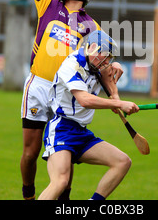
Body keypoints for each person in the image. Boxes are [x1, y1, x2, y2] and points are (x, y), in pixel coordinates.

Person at [6, 0, 123, 200]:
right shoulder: (48, 3)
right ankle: (29, 194)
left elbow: (100, 60)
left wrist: (114, 65)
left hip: (66, 93)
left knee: (65, 156)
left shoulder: (91, 25)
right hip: (39, 84)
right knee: (31, 152)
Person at [38, 30, 139, 200]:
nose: (107, 62)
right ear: (92, 48)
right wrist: (119, 104)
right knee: (60, 182)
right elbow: (84, 99)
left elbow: (109, 81)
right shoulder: (71, 65)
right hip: (61, 129)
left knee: (122, 162)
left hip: (82, 133)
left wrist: (115, 97)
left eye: (109, 58)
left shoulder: (96, 64)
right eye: (105, 56)